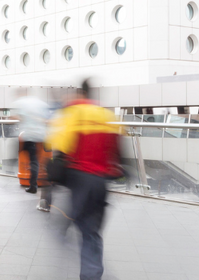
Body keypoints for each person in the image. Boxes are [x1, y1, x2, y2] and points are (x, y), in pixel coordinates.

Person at [47, 79, 121, 280]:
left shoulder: (72, 113)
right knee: (93, 231)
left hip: (80, 180)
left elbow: (60, 148)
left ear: (80, 94)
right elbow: (117, 153)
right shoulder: (106, 115)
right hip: (100, 183)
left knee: (86, 228)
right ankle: (94, 272)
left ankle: (90, 273)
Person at [12, 89, 50, 199]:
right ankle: (33, 185)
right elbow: (45, 119)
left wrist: (13, 117)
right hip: (40, 136)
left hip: (28, 136)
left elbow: (19, 117)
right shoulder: (41, 104)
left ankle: (32, 184)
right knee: (34, 161)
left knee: (22, 153)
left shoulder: (22, 103)